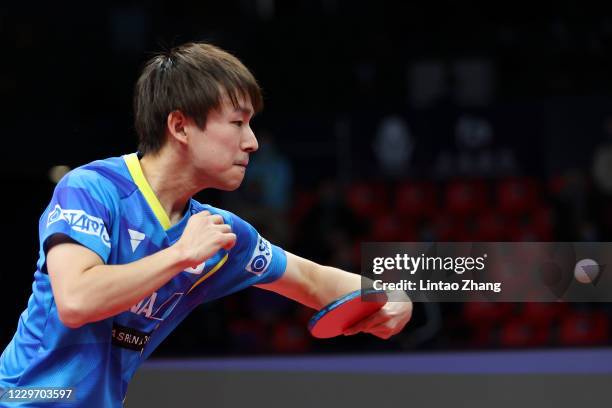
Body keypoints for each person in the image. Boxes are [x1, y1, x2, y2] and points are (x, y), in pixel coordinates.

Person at [0, 42, 412, 407]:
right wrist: (180, 255)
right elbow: (76, 300)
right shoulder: (92, 189)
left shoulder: (218, 233)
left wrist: (392, 294)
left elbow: (311, 279)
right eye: (237, 123)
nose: (252, 142)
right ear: (180, 126)